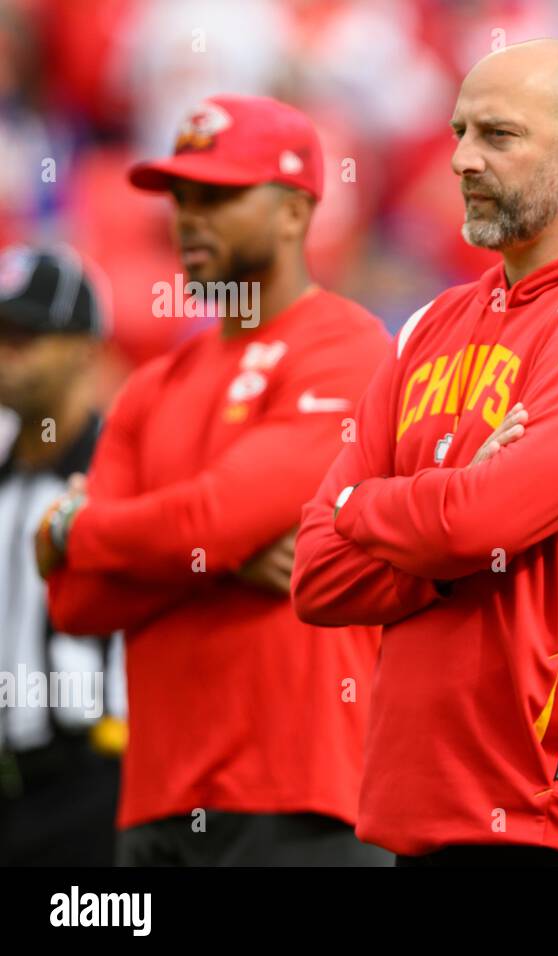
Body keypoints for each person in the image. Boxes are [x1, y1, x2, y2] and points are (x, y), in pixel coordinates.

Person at [292, 39, 558, 867]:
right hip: (423, 808)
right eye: (457, 132)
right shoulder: (426, 324)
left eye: (497, 135)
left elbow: (484, 518)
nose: (460, 160)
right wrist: (447, 512)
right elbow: (317, 574)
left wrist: (366, 508)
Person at [38, 95, 391, 866]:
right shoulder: (149, 386)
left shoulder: (345, 345)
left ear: (296, 210)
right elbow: (77, 601)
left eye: (220, 196)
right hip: (156, 798)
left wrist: (73, 530)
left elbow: (209, 525)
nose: (189, 219)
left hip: (303, 792)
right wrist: (222, 553)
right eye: (182, 199)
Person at [0, 244, 124, 865]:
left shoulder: (124, 467)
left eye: (26, 336)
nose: (6, 352)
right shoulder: (4, 472)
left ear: (83, 347)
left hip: (96, 781)